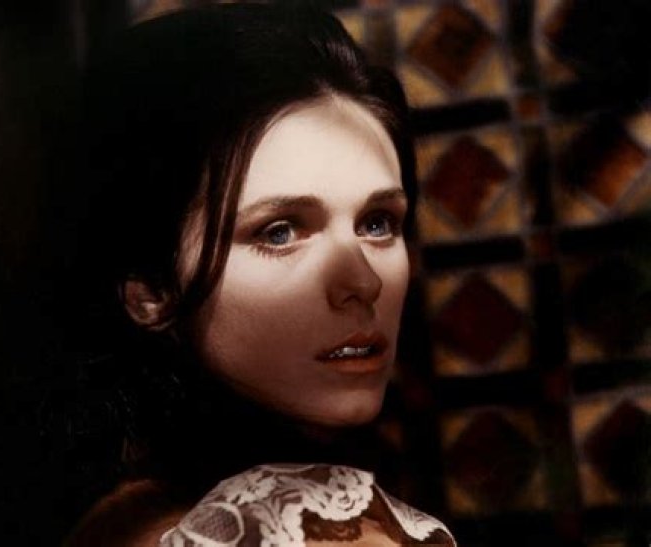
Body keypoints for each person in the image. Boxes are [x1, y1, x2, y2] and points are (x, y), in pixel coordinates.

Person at [54, 3, 454, 545]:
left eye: (377, 223)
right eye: (280, 232)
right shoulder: (292, 525)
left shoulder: (123, 512)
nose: (364, 282)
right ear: (150, 290)